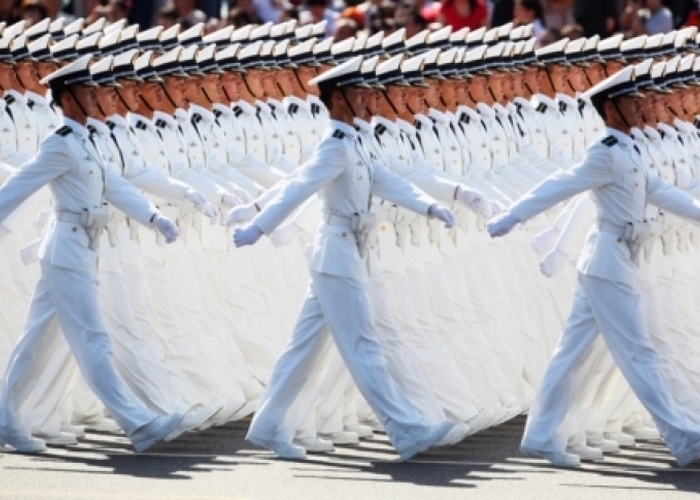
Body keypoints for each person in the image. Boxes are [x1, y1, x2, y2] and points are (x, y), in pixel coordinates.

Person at [231, 55, 469, 461]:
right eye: (358, 93)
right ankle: (408, 429)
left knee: (303, 348)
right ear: (339, 98)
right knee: (363, 346)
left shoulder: (355, 141)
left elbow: (384, 180)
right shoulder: (336, 145)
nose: (366, 99)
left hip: (347, 253)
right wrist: (259, 226)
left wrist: (429, 206)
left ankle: (269, 425)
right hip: (337, 254)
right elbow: (299, 187)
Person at [487, 66, 700, 468]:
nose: (642, 106)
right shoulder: (606, 151)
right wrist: (513, 216)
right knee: (639, 353)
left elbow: (662, 192)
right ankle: (685, 439)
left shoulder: (630, 149)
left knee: (573, 354)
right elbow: (563, 184)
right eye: (633, 102)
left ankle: (542, 436)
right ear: (613, 108)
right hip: (608, 263)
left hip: (615, 261)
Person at [0, 54, 190, 454]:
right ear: (67, 98)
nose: (95, 96)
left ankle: (6, 421)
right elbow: (17, 187)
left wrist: (153, 217)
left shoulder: (87, 140)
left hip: (81, 248)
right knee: (93, 338)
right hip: (66, 250)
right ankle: (139, 423)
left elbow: (113, 186)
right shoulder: (60, 144)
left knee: (35, 343)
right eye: (86, 91)